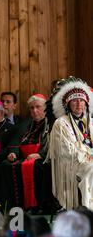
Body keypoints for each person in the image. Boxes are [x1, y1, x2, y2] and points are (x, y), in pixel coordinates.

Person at [0, 94, 51, 210]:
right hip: (24, 157)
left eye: (38, 107)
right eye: (31, 108)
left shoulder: (52, 124)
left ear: (45, 108)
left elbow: (53, 146)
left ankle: (36, 206)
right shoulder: (25, 124)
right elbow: (15, 143)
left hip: (42, 158)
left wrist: (40, 155)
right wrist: (13, 153)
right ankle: (9, 206)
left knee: (36, 166)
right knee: (4, 166)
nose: (34, 111)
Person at [48, 77, 93, 210]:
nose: (79, 104)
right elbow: (66, 151)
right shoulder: (61, 123)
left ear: (86, 103)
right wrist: (87, 155)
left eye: (81, 100)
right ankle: (88, 210)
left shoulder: (90, 122)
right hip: (72, 164)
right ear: (68, 104)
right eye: (74, 101)